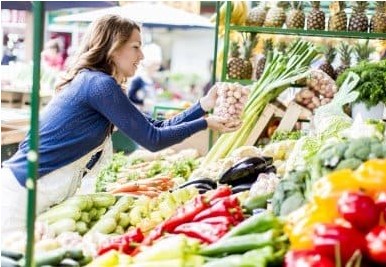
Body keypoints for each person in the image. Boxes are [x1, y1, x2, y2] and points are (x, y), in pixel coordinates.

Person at [1, 15, 240, 242]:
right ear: (114, 47)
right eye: (136, 47)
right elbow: (153, 139)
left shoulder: (97, 82)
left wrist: (202, 106)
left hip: (36, 193)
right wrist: (205, 123)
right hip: (21, 196)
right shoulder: (99, 85)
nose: (142, 55)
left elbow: (153, 127)